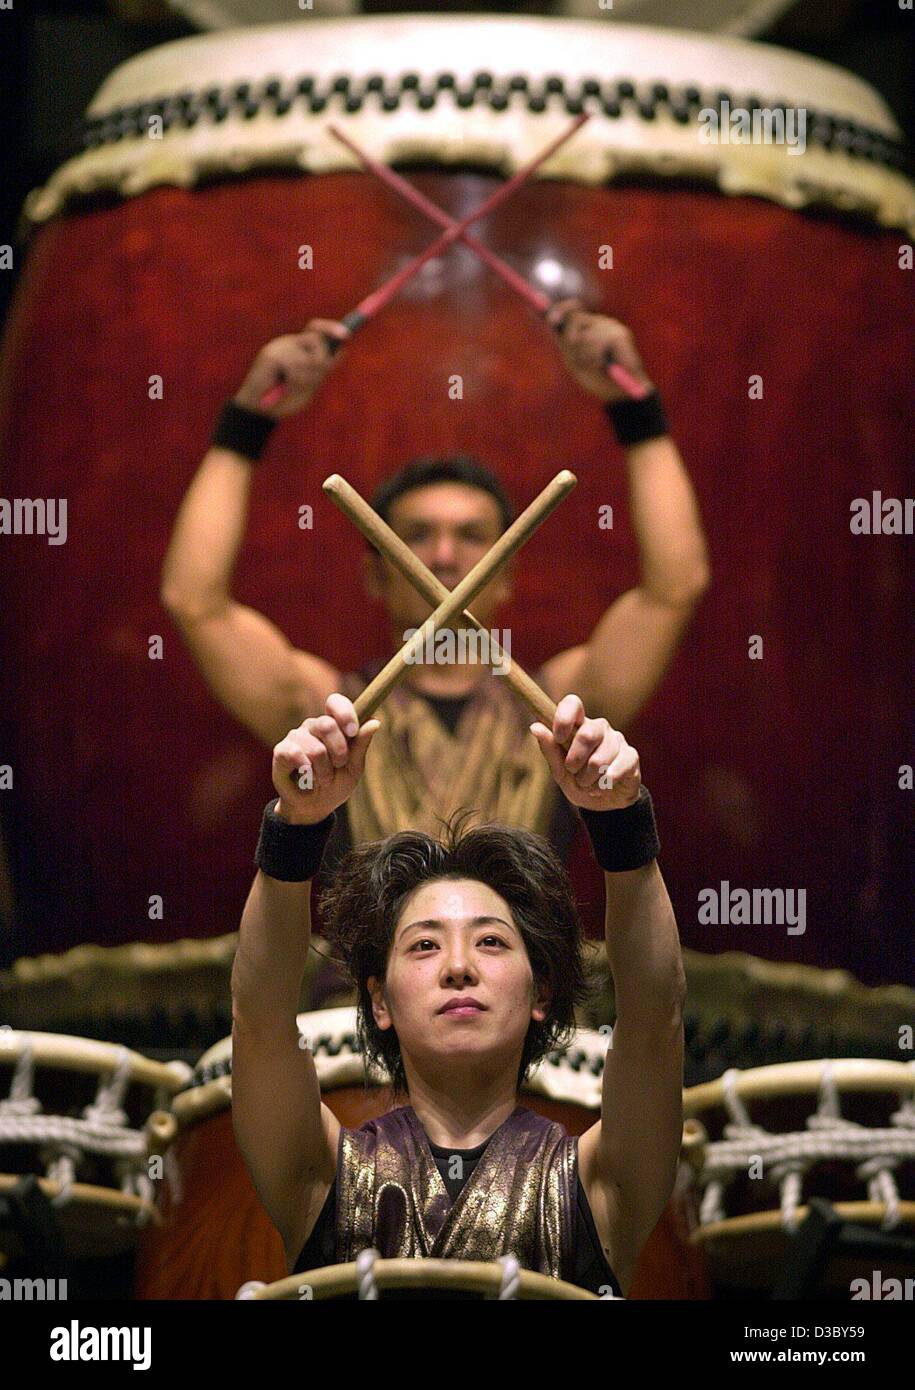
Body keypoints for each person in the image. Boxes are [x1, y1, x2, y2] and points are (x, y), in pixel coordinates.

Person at [160, 304, 710, 877]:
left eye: (474, 537)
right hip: (367, 972)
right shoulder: (326, 713)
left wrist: (635, 404)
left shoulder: (562, 710)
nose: (445, 556)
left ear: (508, 575)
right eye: (415, 536)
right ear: (375, 575)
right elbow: (195, 601)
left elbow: (675, 586)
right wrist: (248, 416)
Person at [230, 689, 685, 1297]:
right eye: (424, 946)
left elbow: (655, 1019)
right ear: (379, 1003)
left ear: (542, 990)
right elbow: (259, 1019)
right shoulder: (319, 1174)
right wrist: (298, 826)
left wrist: (619, 821)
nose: (459, 967)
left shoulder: (600, 1185)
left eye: (492, 942)